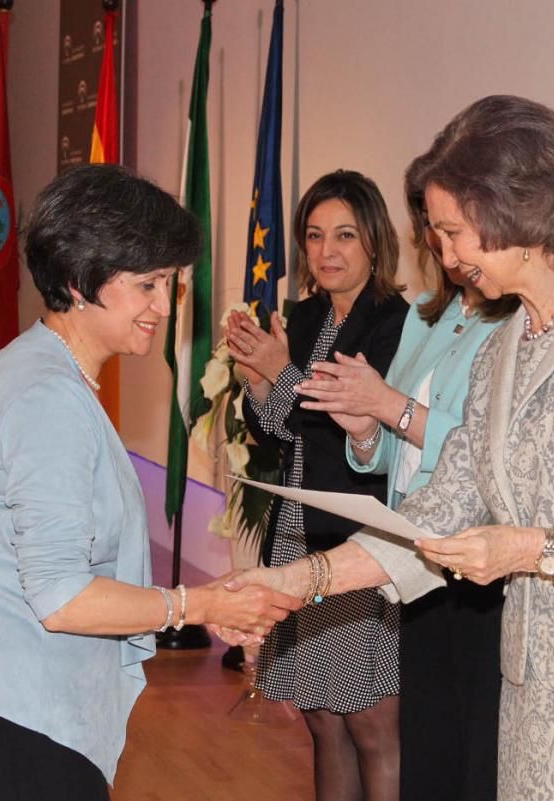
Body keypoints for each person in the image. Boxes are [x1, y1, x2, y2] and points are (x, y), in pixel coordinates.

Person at [227, 95, 554, 801]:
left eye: (452, 231)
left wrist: (528, 550)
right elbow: (440, 504)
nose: (442, 254)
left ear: (515, 215)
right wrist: (300, 581)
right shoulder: (505, 347)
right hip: (539, 679)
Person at [0, 164, 300, 800]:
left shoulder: (43, 369)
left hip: (5, 696)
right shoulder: (48, 396)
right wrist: (197, 605)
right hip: (20, 710)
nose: (163, 306)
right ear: (79, 277)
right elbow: (63, 597)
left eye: (168, 285)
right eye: (146, 284)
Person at [293, 156, 517, 801]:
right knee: (426, 742)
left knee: (473, 749)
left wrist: (388, 406)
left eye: (454, 232)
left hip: (481, 561)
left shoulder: (516, 328)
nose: (444, 249)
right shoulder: (428, 316)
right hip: (414, 553)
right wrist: (363, 425)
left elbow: (493, 452)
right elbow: (391, 456)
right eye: (436, 233)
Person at [225, 169, 409, 801]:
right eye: (314, 235)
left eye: (345, 236)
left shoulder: (396, 324)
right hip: (297, 539)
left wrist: (282, 372)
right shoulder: (303, 317)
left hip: (358, 543)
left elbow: (352, 434)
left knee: (372, 724)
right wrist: (257, 380)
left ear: (375, 243)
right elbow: (283, 433)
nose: (327, 251)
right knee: (323, 720)